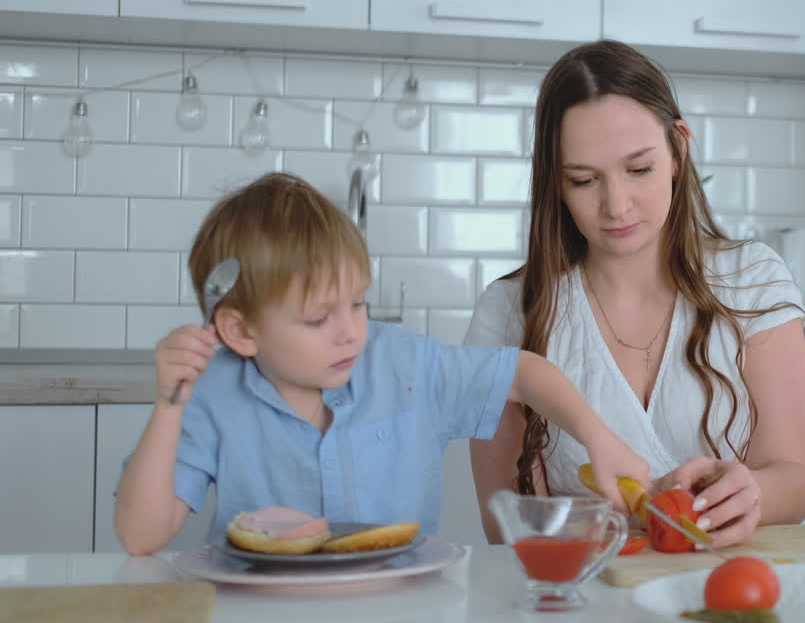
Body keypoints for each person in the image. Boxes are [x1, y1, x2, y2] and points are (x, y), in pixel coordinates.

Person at [114, 172, 649, 556]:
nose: (350, 330)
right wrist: (168, 405)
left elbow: (523, 373)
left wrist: (597, 436)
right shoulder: (213, 395)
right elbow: (141, 537)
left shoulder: (404, 364)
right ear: (240, 331)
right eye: (318, 317)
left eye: (357, 304)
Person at [465, 40, 805, 547]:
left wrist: (754, 491)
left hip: (724, 589)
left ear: (678, 149)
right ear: (556, 184)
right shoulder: (507, 313)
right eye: (584, 180)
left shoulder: (752, 278)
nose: (616, 205)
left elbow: (796, 479)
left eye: (639, 169)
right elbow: (508, 531)